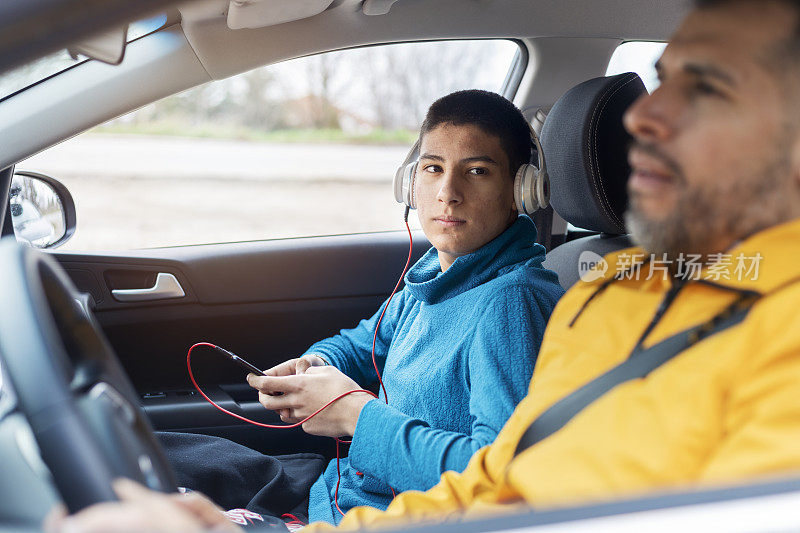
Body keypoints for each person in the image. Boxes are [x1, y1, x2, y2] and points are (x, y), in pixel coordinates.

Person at [48, 0, 800, 531]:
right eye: (664, 77)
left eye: (709, 86)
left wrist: (357, 418)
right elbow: (499, 479)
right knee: (140, 462)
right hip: (345, 505)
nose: (643, 117)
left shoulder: (525, 301)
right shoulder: (607, 297)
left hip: (360, 497)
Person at [158, 89, 564, 525]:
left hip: (381, 516)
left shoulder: (511, 302)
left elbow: (496, 477)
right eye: (433, 168)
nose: (448, 192)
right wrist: (315, 363)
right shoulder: (436, 275)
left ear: (520, 190)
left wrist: (356, 415)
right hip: (335, 490)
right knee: (158, 451)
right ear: (410, 181)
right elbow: (363, 343)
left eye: (477, 171)